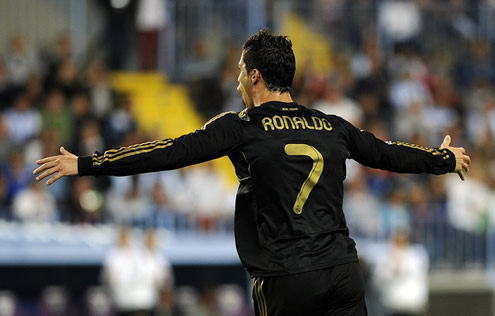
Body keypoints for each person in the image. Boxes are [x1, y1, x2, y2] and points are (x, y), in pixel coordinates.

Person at [34, 29, 471, 316]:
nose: (238, 80)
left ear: (256, 76)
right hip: (343, 272)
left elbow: (166, 152)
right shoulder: (331, 124)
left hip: (287, 279)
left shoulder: (241, 127)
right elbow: (387, 153)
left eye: (242, 72)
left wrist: (86, 163)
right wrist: (442, 159)